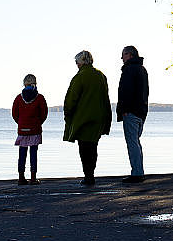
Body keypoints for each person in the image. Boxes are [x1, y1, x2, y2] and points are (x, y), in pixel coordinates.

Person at [63, 50, 112, 186]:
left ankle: (88, 175)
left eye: (77, 62)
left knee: (84, 148)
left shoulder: (80, 77)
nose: (76, 64)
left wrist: (67, 114)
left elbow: (71, 99)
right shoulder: (100, 76)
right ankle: (91, 174)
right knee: (93, 147)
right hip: (99, 118)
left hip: (83, 119)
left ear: (81, 61)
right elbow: (105, 98)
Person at [117, 45, 149, 183]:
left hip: (131, 111)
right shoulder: (142, 70)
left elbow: (126, 91)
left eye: (123, 55)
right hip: (141, 111)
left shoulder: (129, 70)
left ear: (129, 55)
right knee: (136, 142)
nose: (121, 58)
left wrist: (123, 110)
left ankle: (137, 173)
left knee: (132, 143)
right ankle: (138, 170)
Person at [12, 74, 48, 186]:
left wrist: (21, 122)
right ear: (35, 83)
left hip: (22, 129)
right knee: (33, 153)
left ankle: (21, 177)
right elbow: (44, 113)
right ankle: (33, 178)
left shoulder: (18, 98)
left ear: (24, 83)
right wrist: (38, 123)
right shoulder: (40, 98)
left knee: (22, 153)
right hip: (35, 129)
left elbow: (14, 114)